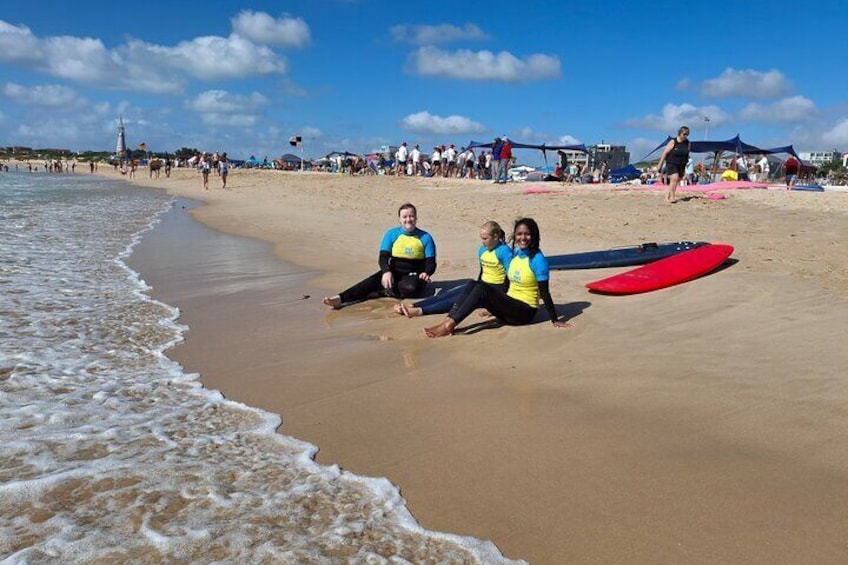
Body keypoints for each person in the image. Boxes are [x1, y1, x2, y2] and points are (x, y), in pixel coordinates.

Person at [424, 218, 571, 337]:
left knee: (482, 287)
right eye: (519, 234)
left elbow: (545, 293)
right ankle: (448, 320)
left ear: (534, 236)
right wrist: (494, 304)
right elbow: (507, 284)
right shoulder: (516, 255)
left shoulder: (538, 260)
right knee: (472, 284)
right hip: (509, 308)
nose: (523, 238)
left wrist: (555, 319)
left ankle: (449, 325)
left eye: (527, 234)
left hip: (524, 312)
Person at [323, 203, 436, 309]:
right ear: (399, 219)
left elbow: (431, 263)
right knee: (369, 282)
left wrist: (426, 273)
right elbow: (383, 258)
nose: (408, 219)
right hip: (394, 272)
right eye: (405, 217)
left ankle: (381, 292)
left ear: (416, 218)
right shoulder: (391, 234)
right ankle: (340, 299)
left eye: (411, 216)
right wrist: (386, 271)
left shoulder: (425, 237)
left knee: (410, 288)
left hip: (414, 274)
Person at [394, 220, 512, 317]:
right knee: (451, 293)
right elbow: (483, 272)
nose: (483, 242)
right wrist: (476, 285)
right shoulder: (482, 250)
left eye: (485, 239)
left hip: (495, 290)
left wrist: (500, 302)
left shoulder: (504, 251)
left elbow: (510, 277)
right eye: (482, 238)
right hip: (482, 285)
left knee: (457, 299)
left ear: (496, 237)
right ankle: (415, 305)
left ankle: (420, 311)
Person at [656, 125, 691, 203]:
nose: (685, 136)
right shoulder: (673, 141)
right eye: (684, 134)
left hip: (681, 164)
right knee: (674, 178)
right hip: (671, 163)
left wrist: (684, 169)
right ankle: (672, 197)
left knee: (674, 181)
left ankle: (666, 197)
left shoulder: (688, 143)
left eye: (687, 134)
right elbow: (664, 153)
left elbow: (686, 155)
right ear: (680, 133)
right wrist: (660, 165)